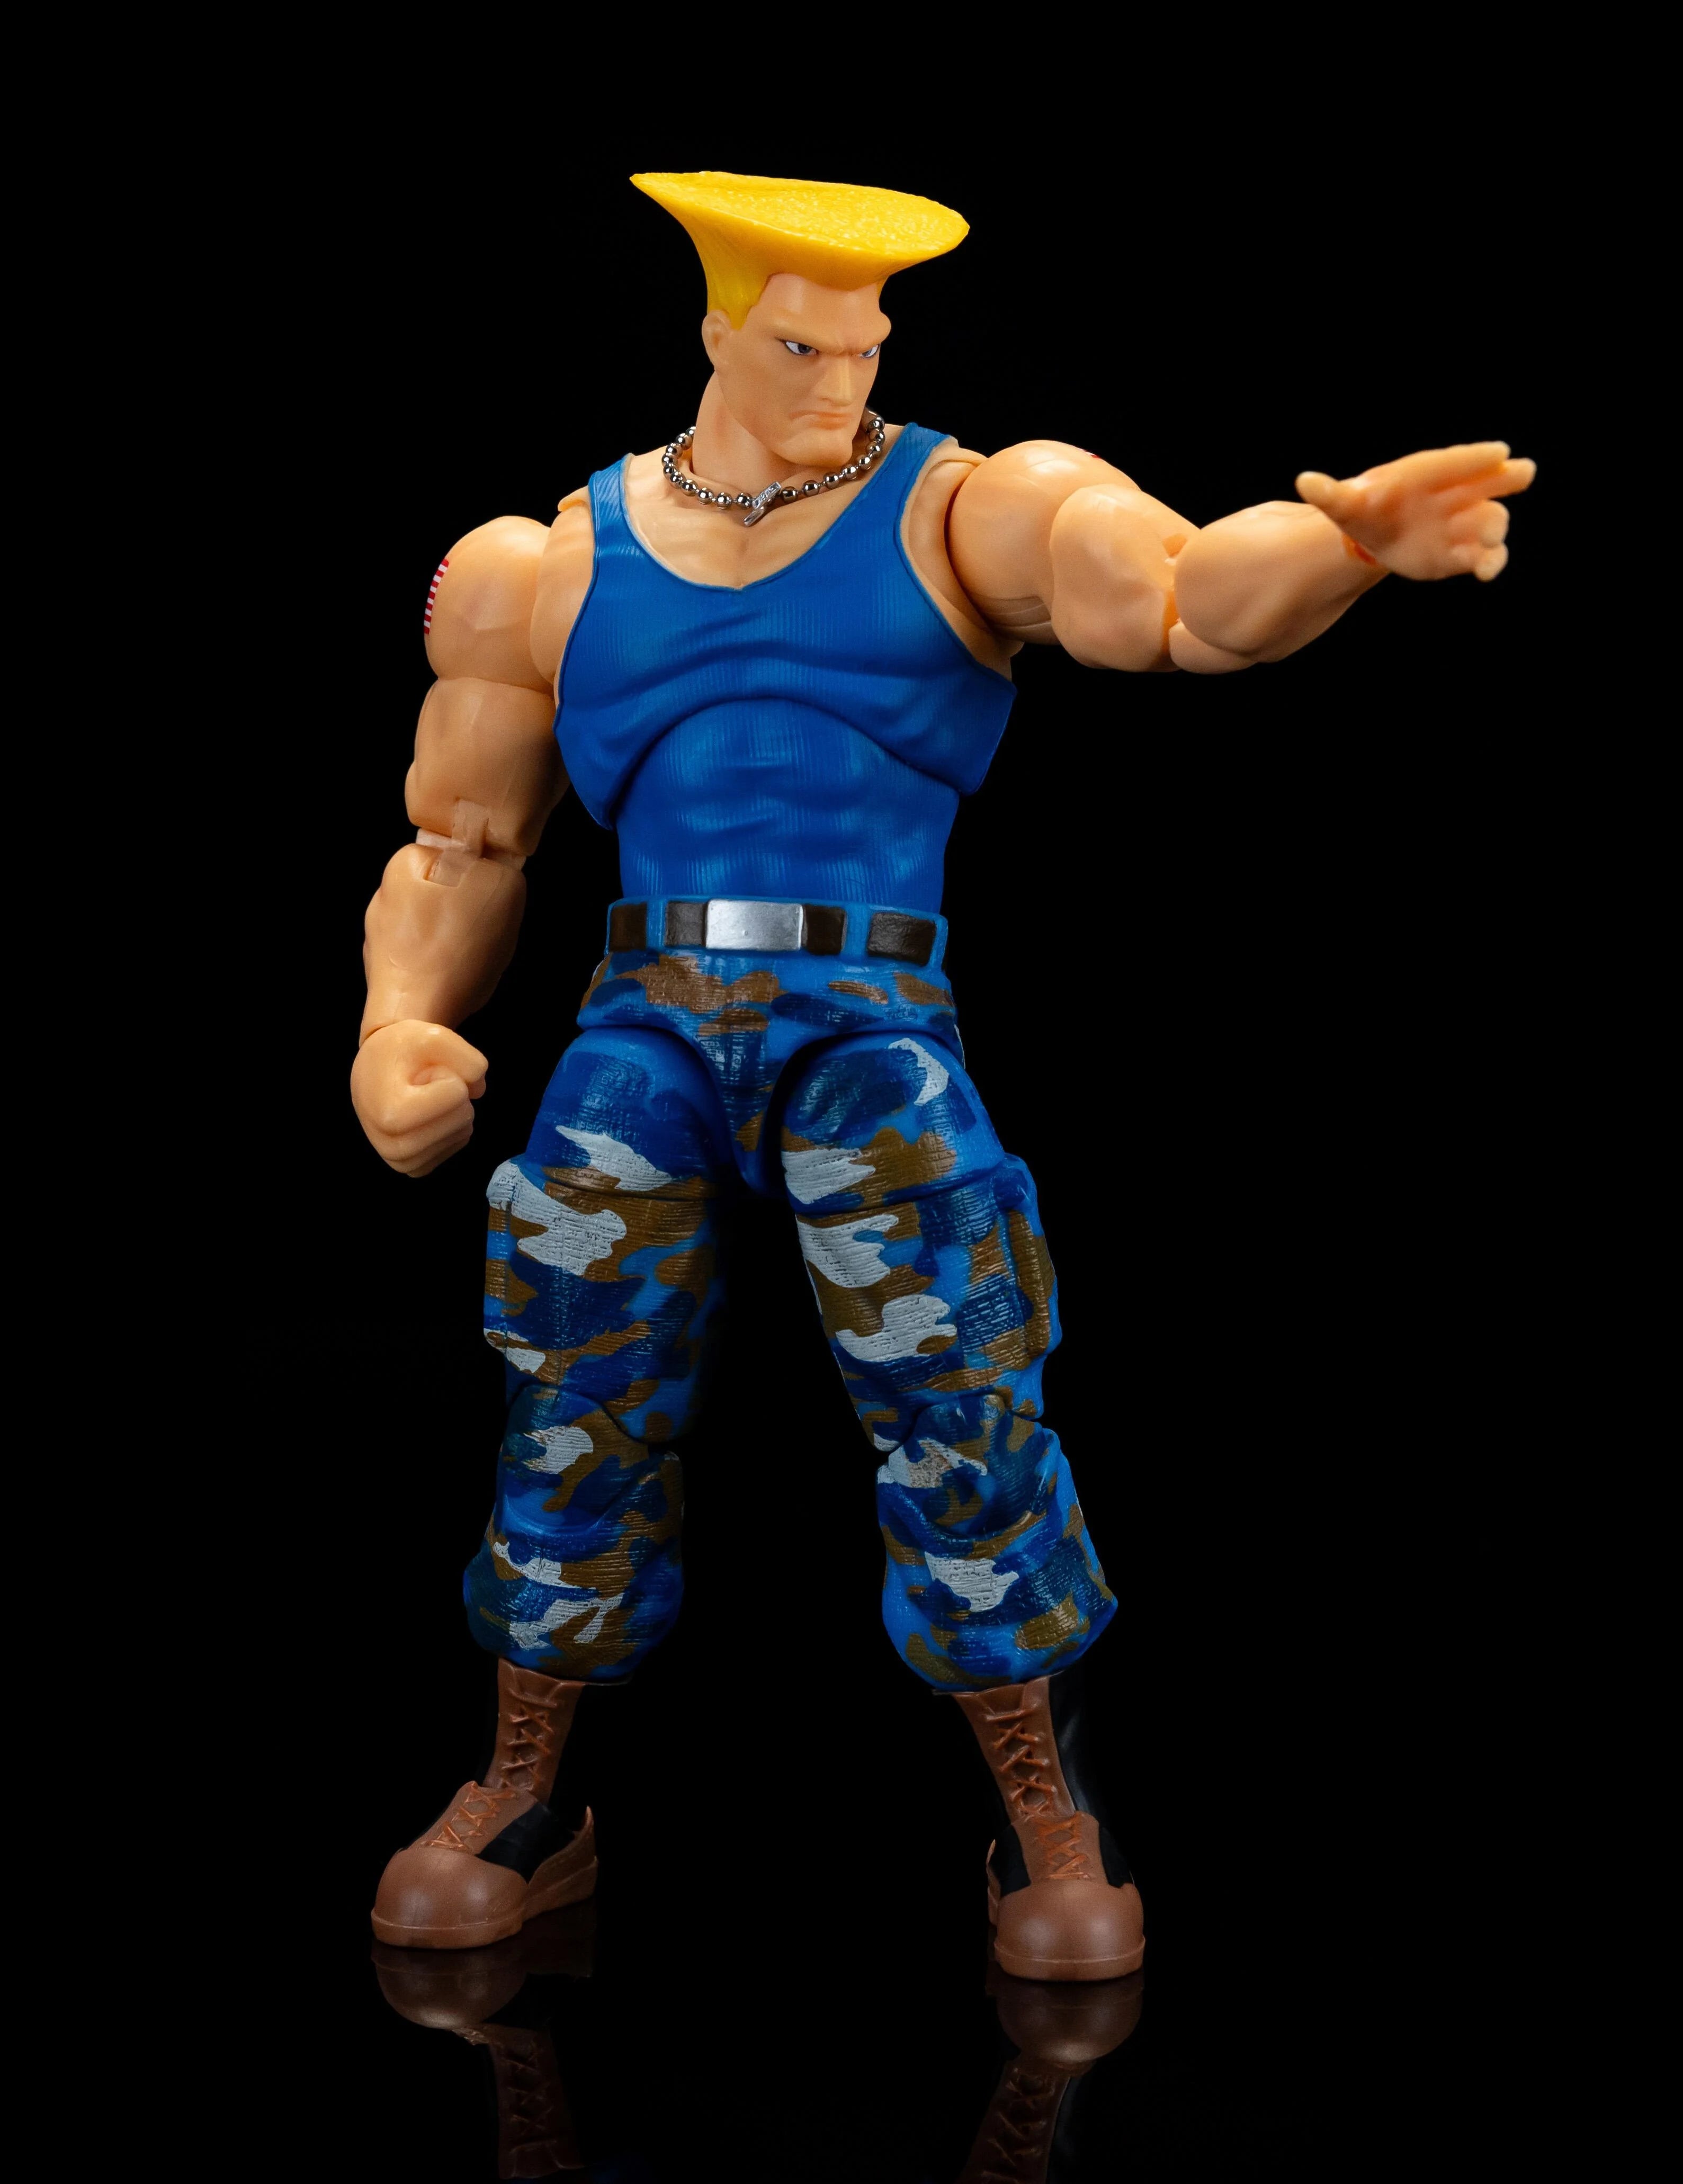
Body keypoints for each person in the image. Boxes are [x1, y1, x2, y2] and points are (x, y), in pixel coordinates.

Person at [355, 171, 1534, 1975]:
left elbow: (1182, 602)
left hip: (866, 1021)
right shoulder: (551, 559)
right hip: (641, 1015)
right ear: (718, 332)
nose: (842, 376)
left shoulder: (965, 508)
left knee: (958, 1387)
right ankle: (521, 1789)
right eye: (800, 346)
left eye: (866, 344)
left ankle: (1045, 1805)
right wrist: (398, 1022)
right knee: (569, 1383)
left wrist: (1345, 545)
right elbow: (463, 840)